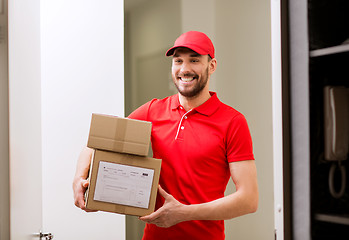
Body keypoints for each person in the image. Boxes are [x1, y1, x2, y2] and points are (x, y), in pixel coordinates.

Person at [73, 31, 258, 240]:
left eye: (194, 60)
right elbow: (97, 143)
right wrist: (80, 178)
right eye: (178, 61)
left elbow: (249, 199)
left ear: (212, 65)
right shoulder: (153, 110)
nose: (185, 69)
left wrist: (183, 213)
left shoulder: (232, 121)